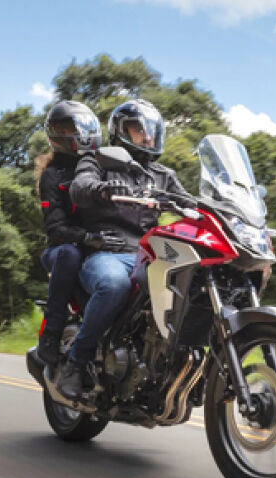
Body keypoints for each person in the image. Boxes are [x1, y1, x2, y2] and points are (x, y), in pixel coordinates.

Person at [57, 98, 195, 399]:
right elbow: (80, 188)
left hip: (149, 253)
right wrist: (101, 189)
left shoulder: (162, 175)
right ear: (120, 131)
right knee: (114, 285)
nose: (147, 137)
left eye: (151, 131)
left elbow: (189, 203)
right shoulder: (98, 161)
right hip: (107, 251)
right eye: (138, 130)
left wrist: (221, 207)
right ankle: (76, 364)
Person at [35, 100, 125, 365]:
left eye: (80, 127)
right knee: (69, 254)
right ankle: (52, 331)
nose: (76, 134)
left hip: (102, 245)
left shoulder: (106, 164)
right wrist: (87, 238)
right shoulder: (52, 176)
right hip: (63, 248)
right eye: (66, 129)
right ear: (54, 135)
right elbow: (55, 228)